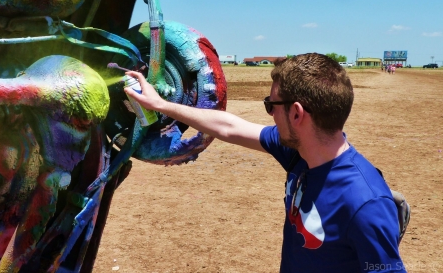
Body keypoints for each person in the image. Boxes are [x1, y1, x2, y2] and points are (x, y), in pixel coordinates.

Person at [124, 53, 406, 273]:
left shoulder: (366, 204)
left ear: (296, 114)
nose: (270, 114)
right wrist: (161, 104)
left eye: (271, 105)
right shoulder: (298, 152)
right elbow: (228, 127)